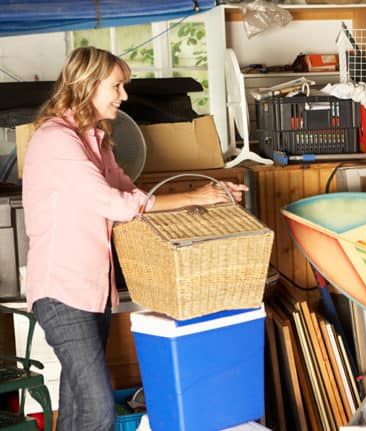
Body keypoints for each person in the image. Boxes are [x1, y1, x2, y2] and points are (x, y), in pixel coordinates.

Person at [22, 47, 248, 431]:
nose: (123, 96)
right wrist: (194, 196)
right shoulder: (56, 140)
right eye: (117, 86)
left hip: (93, 292)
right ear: (88, 85)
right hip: (61, 292)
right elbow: (115, 203)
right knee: (98, 410)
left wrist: (208, 196)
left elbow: (131, 191)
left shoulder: (96, 140)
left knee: (77, 407)